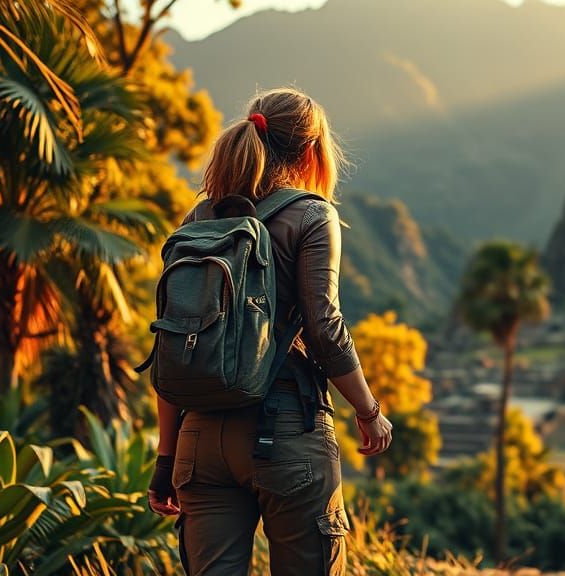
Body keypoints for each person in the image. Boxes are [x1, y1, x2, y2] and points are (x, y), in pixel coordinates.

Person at [146, 88, 393, 576]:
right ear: (310, 150)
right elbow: (324, 327)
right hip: (286, 429)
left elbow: (173, 342)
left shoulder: (199, 219)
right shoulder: (312, 214)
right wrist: (369, 411)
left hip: (200, 440)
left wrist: (166, 458)